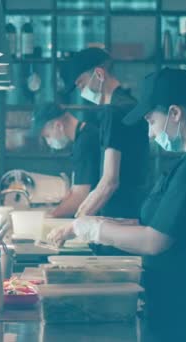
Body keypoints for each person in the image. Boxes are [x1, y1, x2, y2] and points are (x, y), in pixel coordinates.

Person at [48, 68, 186, 341]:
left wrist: (94, 230)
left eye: (152, 121)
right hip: (182, 307)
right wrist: (92, 224)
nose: (151, 134)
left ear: (175, 113)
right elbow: (157, 225)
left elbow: (155, 240)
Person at [62, 48, 150, 255]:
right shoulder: (131, 105)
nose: (81, 90)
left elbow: (109, 181)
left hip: (117, 218)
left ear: (99, 74)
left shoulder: (113, 111)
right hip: (135, 213)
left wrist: (76, 224)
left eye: (81, 84)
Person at [32, 103, 100, 218]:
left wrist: (51, 215)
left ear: (58, 126)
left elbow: (80, 196)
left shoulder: (85, 143)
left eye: (47, 136)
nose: (48, 142)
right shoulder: (84, 136)